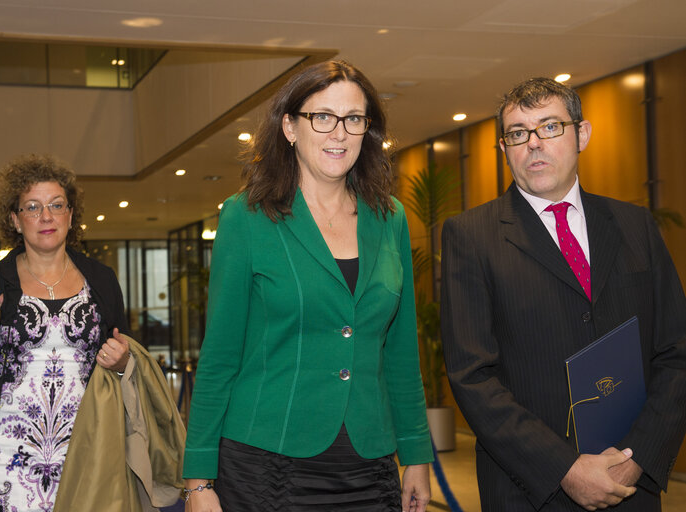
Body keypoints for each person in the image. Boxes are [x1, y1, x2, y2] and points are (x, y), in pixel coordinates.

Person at [182, 60, 433, 512]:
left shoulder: (390, 217)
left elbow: (399, 352)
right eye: (323, 117)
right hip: (266, 463)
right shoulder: (246, 215)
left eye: (353, 119)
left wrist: (417, 454)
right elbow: (219, 354)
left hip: (370, 463)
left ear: (367, 131)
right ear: (290, 127)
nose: (339, 133)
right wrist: (198, 482)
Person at [441, 77, 686, 511]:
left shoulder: (635, 226)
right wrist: (564, 469)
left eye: (550, 127)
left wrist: (635, 459)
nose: (533, 144)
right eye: (518, 133)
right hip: (529, 489)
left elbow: (676, 351)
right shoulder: (471, 237)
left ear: (582, 134)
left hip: (630, 483)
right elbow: (472, 374)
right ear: (504, 149)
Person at [0, 154, 130, 512]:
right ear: (15, 219)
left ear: (71, 215)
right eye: (32, 207)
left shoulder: (101, 279)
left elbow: (127, 357)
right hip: (5, 457)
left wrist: (121, 361)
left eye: (57, 205)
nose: (46, 216)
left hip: (88, 449)